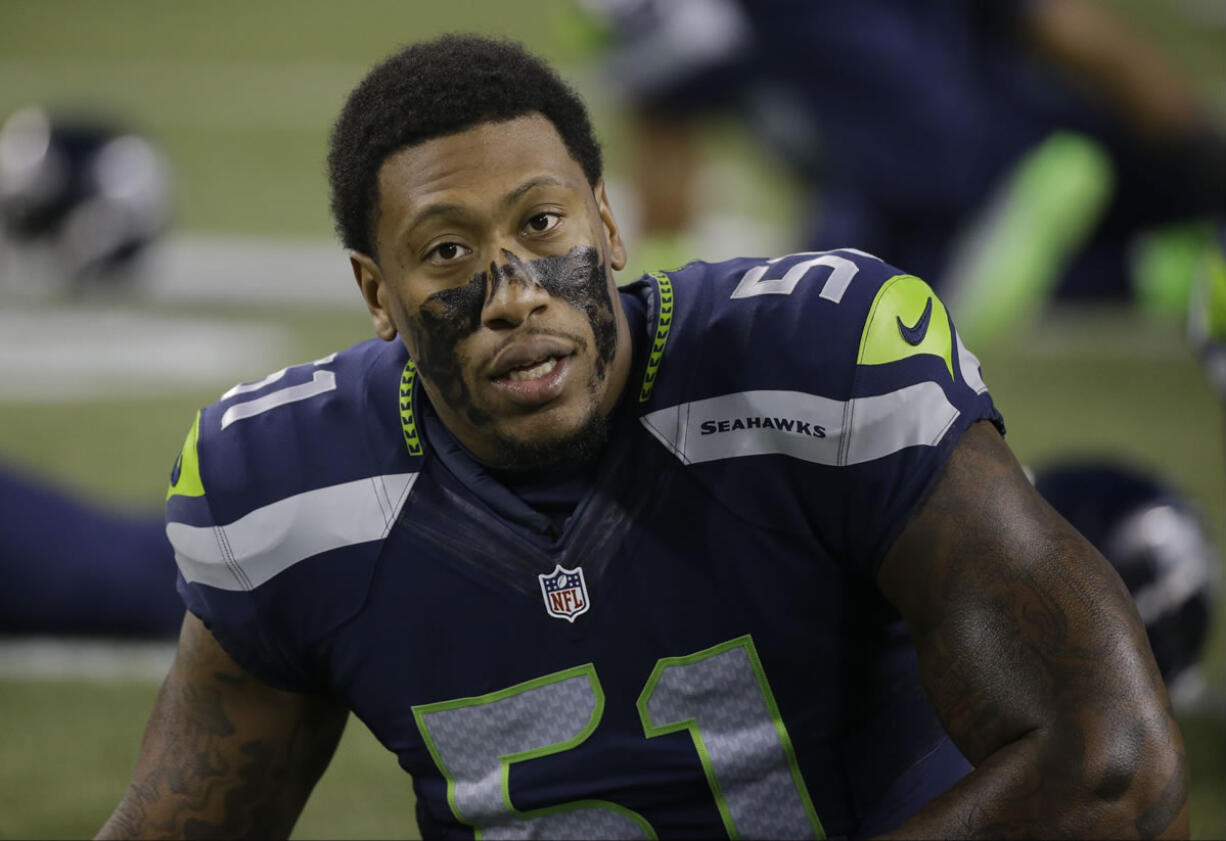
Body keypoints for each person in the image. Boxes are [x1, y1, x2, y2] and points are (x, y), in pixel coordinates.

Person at [96, 34, 1186, 840]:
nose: (514, 292)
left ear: (608, 225)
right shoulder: (284, 492)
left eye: (539, 223)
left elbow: (1109, 768)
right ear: (376, 295)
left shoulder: (815, 366)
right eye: (445, 252)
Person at [583, 0, 1226, 345]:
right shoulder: (694, 38)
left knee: (836, 308)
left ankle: (1136, 266)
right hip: (926, 205)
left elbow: (1061, 28)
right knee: (831, 297)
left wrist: (1190, 143)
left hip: (998, 177)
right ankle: (1141, 269)